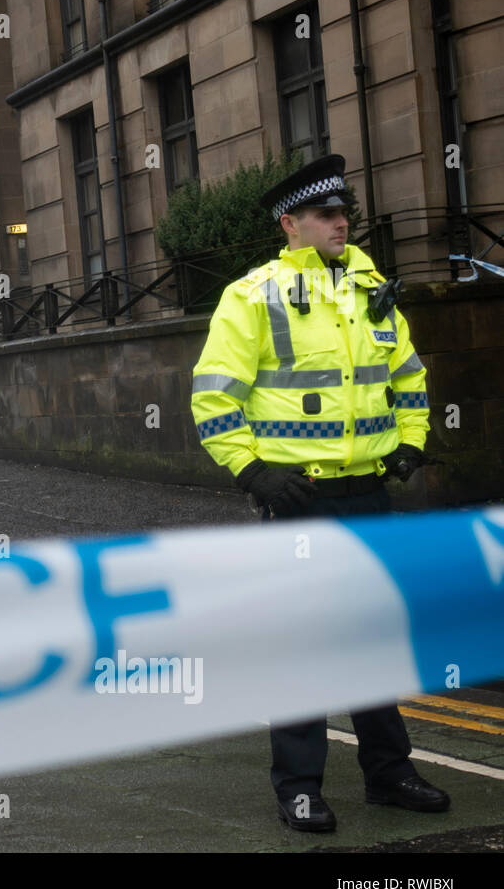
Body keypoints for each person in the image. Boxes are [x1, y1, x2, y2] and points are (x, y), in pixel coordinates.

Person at [190, 154, 448, 833]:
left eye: (343, 213)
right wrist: (251, 471)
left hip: (369, 495)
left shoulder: (371, 290)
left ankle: (390, 773)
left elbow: (408, 377)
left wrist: (412, 439)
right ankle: (299, 787)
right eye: (326, 214)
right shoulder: (252, 296)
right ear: (291, 225)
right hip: (300, 501)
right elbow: (214, 396)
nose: (341, 222)